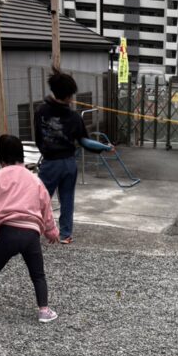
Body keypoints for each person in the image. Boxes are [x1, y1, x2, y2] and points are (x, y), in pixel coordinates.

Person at [0, 134, 60, 324]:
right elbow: (46, 206)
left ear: (0, 159)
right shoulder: (34, 179)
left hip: (8, 232)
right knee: (38, 274)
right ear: (22, 156)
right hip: (31, 234)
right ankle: (44, 310)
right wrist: (51, 230)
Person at [34, 71, 114, 245]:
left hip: (50, 163)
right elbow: (84, 141)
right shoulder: (74, 116)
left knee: (40, 199)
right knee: (67, 199)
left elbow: (38, 138)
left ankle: (34, 230)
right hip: (69, 163)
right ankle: (65, 235)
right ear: (69, 95)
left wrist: (46, 151)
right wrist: (104, 147)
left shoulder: (40, 111)